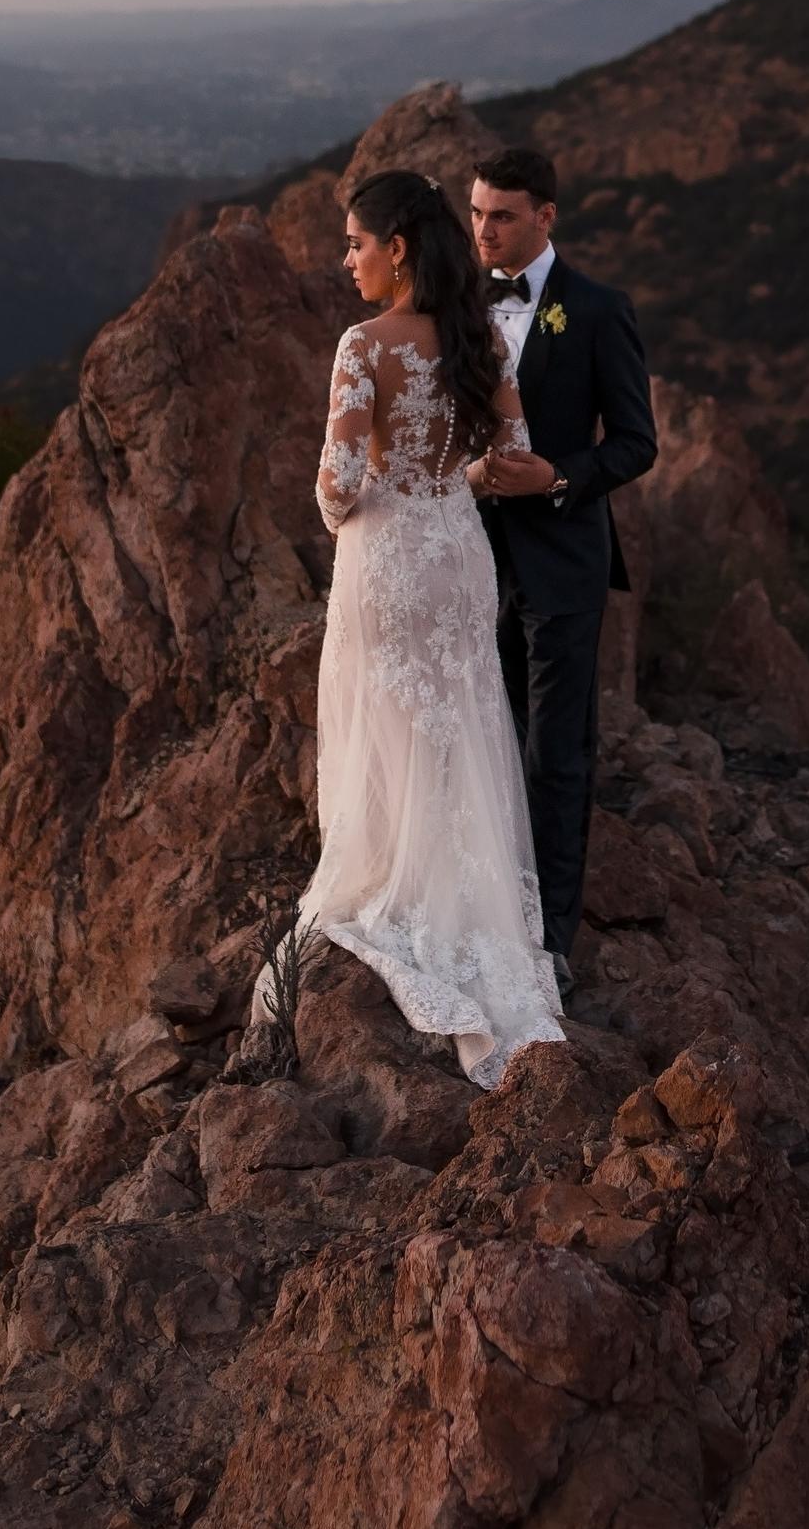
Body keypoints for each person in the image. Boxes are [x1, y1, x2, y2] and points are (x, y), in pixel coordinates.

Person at [258, 168, 566, 1088]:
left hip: (388, 560)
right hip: (458, 555)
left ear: (396, 249)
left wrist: (366, 493)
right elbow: (510, 461)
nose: (344, 259)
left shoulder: (363, 346)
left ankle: (397, 881)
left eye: (354, 243)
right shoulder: (478, 339)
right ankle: (467, 908)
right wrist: (445, 485)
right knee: (460, 718)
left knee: (386, 720)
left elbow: (337, 485)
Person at [462, 146, 656, 999]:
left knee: (556, 754)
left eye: (500, 215)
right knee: (485, 746)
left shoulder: (598, 310)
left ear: (546, 215)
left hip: (564, 564)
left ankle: (552, 939)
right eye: (474, 213)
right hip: (470, 563)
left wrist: (559, 475)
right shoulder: (458, 309)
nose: (483, 230)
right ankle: (491, 911)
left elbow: (636, 443)